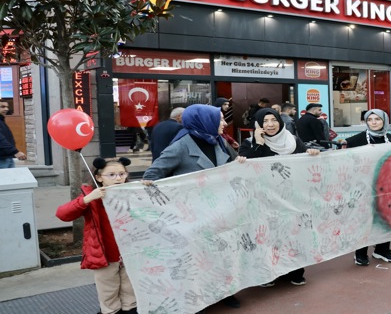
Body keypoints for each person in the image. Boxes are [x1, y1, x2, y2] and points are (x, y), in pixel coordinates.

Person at [143, 104, 241, 309]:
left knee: (222, 254)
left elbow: (234, 165)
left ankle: (225, 293)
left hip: (222, 212)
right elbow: (151, 176)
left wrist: (241, 162)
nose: (224, 123)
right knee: (198, 259)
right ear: (205, 121)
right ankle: (197, 300)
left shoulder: (219, 142)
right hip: (193, 215)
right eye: (220, 119)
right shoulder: (180, 146)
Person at [238, 108, 319, 287]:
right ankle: (268, 274)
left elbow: (303, 163)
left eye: (273, 120)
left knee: (293, 235)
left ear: (280, 121)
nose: (270, 125)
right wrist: (258, 144)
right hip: (264, 201)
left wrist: (310, 154)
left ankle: (295, 271)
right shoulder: (249, 143)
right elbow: (244, 168)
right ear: (258, 125)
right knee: (267, 237)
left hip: (291, 199)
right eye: (265, 121)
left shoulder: (293, 141)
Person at [55, 157, 137, 314]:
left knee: (130, 294)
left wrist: (148, 187)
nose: (118, 178)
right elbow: (62, 214)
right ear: (99, 177)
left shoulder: (132, 192)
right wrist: (87, 199)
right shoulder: (92, 197)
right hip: (104, 257)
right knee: (108, 295)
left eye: (122, 173)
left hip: (130, 254)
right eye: (111, 175)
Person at [342, 109, 391, 265]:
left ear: (384, 121)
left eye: (377, 119)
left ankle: (382, 250)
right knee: (364, 220)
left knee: (385, 219)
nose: (374, 122)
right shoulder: (355, 140)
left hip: (387, 187)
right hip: (364, 187)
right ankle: (361, 253)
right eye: (370, 120)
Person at [0, 100, 27, 168]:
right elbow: (1, 140)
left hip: (6, 157)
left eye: (7, 107)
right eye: (2, 107)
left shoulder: (1, 121)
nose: (6, 109)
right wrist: (15, 152)